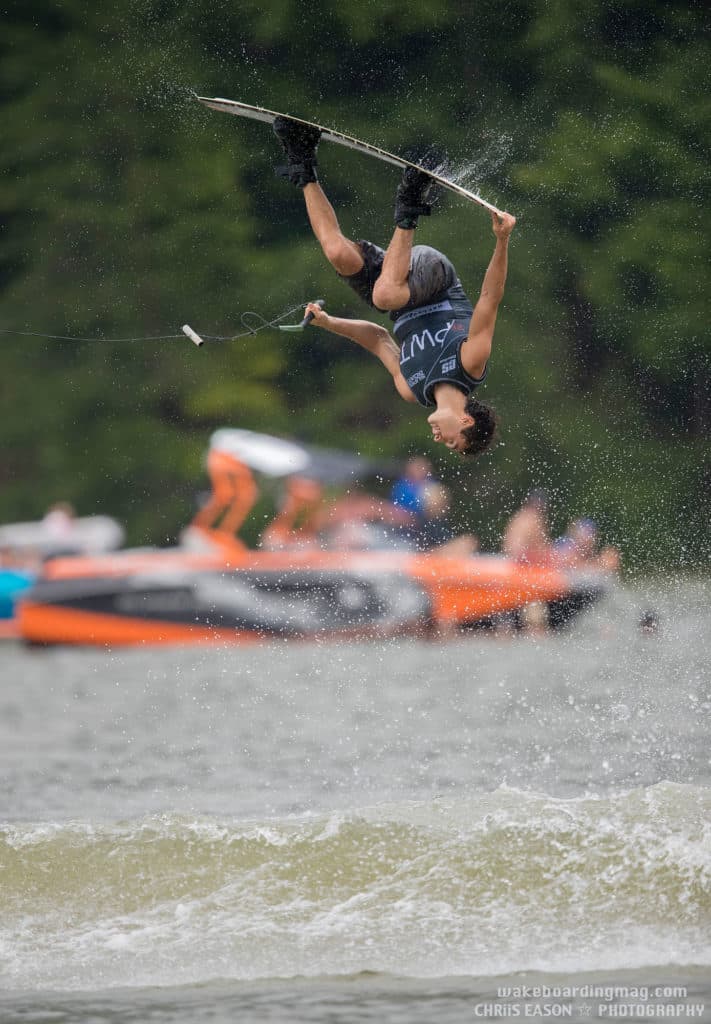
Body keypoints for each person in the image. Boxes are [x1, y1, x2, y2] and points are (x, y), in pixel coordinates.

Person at [272, 117, 516, 456]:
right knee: (385, 294)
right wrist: (501, 241)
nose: (438, 440)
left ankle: (302, 158)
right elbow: (490, 298)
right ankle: (411, 204)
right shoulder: (470, 364)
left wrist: (329, 323)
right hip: (433, 275)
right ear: (465, 423)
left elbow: (378, 338)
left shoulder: (410, 389)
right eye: (450, 441)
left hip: (396, 283)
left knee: (339, 254)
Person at [501, 489, 552, 565]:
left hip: (509, 555)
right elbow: (540, 545)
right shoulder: (534, 518)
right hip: (520, 558)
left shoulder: (520, 515)